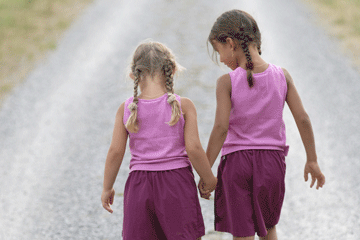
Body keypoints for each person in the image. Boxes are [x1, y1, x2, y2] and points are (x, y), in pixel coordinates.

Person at [199, 9, 326, 240]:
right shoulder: (282, 76)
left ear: (230, 43)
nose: (220, 59)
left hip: (237, 164)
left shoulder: (226, 82)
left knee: (243, 233)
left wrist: (206, 172)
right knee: (268, 229)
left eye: (219, 51)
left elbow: (220, 128)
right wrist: (312, 159)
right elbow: (303, 119)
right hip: (272, 164)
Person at [101, 40, 217, 240]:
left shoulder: (126, 109)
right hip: (177, 184)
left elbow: (115, 151)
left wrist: (107, 187)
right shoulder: (184, 106)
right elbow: (194, 148)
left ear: (133, 75)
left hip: (139, 186)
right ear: (171, 70)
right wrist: (208, 179)